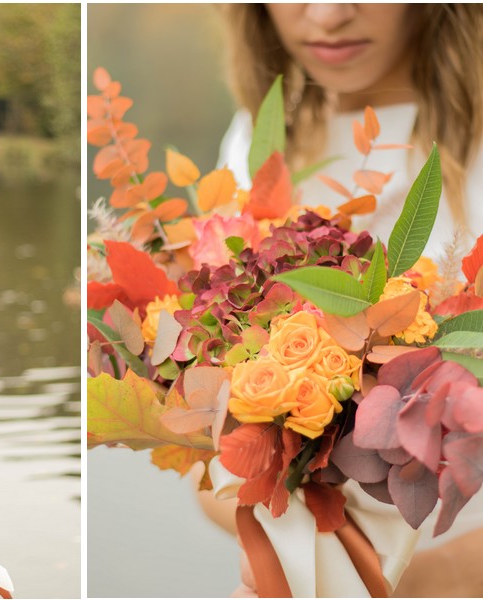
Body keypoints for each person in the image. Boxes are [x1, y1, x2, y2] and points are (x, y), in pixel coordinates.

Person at [199, 4, 483, 597]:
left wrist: (429, 581)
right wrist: (304, 552)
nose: (328, 14)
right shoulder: (261, 137)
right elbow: (211, 463)